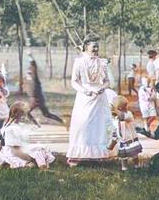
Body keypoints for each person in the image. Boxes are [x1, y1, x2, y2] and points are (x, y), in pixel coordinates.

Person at [66, 35, 113, 166]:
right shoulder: (79, 62)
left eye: (97, 46)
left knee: (99, 125)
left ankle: (97, 155)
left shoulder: (102, 62)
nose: (96, 49)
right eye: (94, 46)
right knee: (83, 124)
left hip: (99, 98)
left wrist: (103, 88)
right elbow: (74, 81)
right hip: (84, 97)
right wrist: (85, 91)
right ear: (86, 47)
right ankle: (77, 155)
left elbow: (107, 81)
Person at [0, 102, 55, 169]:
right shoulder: (11, 129)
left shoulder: (17, 125)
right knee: (37, 151)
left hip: (20, 148)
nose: (27, 117)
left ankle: (42, 164)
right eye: (25, 115)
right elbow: (15, 150)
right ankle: (42, 167)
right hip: (14, 153)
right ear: (18, 115)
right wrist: (30, 158)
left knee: (40, 148)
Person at [109, 96, 142, 171]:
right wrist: (113, 141)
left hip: (130, 139)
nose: (126, 107)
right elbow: (115, 130)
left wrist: (116, 109)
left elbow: (122, 117)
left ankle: (137, 166)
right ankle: (124, 168)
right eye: (124, 105)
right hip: (122, 141)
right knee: (123, 156)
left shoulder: (128, 114)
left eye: (126, 105)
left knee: (134, 154)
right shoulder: (115, 119)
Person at [27, 58, 64, 124]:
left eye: (30, 72)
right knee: (44, 114)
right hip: (36, 100)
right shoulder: (30, 80)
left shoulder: (35, 79)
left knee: (45, 114)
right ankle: (36, 124)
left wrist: (31, 59)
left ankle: (61, 121)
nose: (29, 73)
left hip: (37, 100)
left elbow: (34, 68)